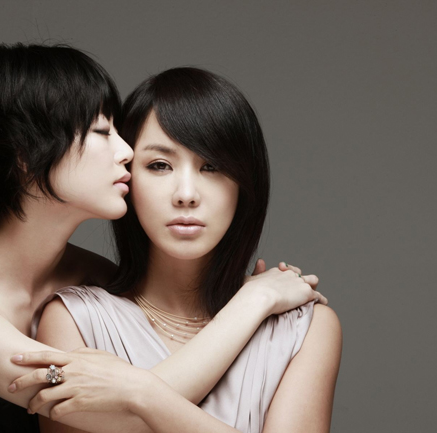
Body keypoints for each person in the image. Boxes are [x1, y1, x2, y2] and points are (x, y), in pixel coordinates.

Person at [0, 43, 326, 433]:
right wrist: (252, 303)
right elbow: (118, 410)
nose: (126, 151)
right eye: (101, 132)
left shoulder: (89, 277)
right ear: (25, 153)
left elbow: (139, 392)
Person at [21, 68, 342, 432]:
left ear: (244, 183)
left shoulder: (304, 328)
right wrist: (254, 301)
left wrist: (142, 393)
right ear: (126, 177)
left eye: (212, 166)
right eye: (159, 165)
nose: (186, 194)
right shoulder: (73, 320)